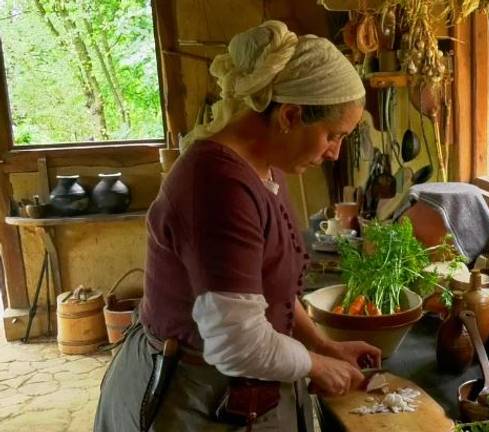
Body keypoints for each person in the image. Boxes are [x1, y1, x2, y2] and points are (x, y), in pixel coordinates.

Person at [94, 20, 381, 431]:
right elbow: (237, 344)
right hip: (192, 395)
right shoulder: (216, 185)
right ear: (290, 115)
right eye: (332, 136)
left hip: (232, 391)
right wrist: (315, 365)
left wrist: (321, 343)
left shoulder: (266, 165)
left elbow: (266, 290)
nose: (335, 153)